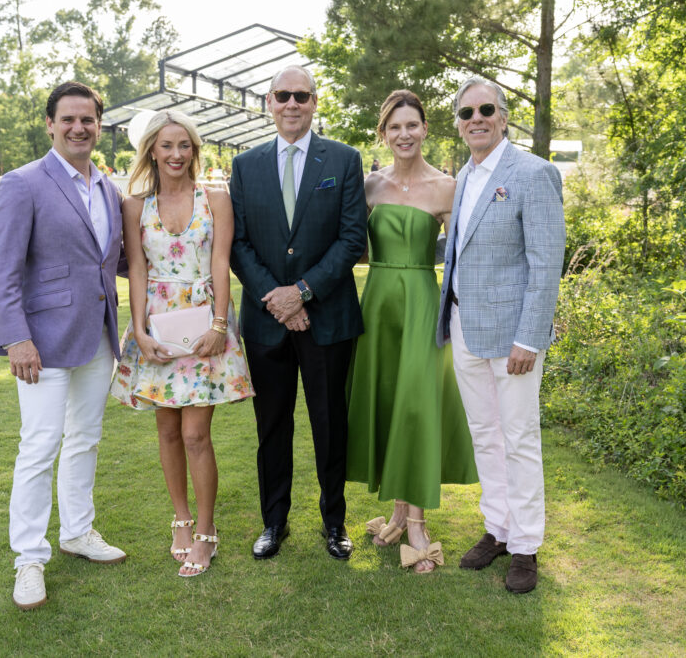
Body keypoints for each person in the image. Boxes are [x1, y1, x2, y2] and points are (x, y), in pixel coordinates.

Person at [0, 81, 127, 610]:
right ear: (49, 124)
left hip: (98, 337)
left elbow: (111, 260)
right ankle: (29, 557)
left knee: (85, 438)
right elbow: (0, 269)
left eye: (87, 119)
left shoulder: (108, 188)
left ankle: (78, 532)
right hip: (39, 343)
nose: (78, 128)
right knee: (40, 445)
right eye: (68, 119)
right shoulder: (22, 184)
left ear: (99, 125)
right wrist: (15, 337)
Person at [229, 65, 367, 561]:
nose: (292, 104)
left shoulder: (345, 160)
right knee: (272, 426)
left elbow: (353, 238)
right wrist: (278, 299)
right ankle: (274, 521)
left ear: (314, 102)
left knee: (331, 425)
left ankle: (335, 523)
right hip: (268, 322)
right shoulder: (244, 165)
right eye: (283, 95)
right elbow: (238, 243)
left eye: (302, 96)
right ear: (268, 102)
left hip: (327, 319)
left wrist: (303, 292)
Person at [110, 111, 253, 577]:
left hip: (204, 326)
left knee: (195, 434)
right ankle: (181, 521)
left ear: (195, 150)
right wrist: (141, 330)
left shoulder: (216, 199)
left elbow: (221, 263)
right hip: (156, 328)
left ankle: (207, 533)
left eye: (185, 145)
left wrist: (218, 324)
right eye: (167, 146)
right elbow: (137, 272)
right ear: (152, 149)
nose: (176, 154)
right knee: (167, 431)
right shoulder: (135, 206)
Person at [436, 77, 565, 593]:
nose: (476, 119)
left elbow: (545, 264)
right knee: (485, 435)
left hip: (513, 336)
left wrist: (529, 339)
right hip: (466, 326)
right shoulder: (465, 176)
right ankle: (499, 528)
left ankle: (527, 546)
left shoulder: (533, 173)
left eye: (486, 109)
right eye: (466, 113)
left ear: (504, 115)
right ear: (459, 123)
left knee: (519, 438)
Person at [347, 90, 478, 574]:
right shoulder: (368, 185)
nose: (403, 134)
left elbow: (469, 251)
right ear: (383, 133)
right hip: (378, 304)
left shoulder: (447, 187)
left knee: (417, 404)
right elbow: (346, 245)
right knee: (388, 402)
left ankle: (419, 525)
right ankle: (399, 511)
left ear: (425, 129)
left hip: (423, 300)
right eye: (394, 127)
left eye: (412, 125)